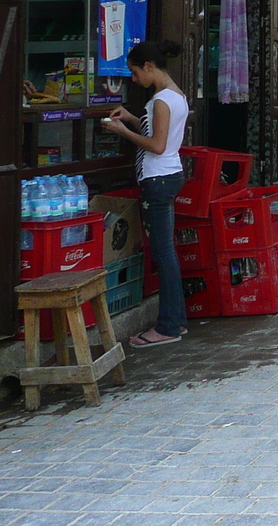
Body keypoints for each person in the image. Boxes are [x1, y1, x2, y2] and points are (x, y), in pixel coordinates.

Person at [99, 39, 191, 348]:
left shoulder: (161, 100)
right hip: (169, 174)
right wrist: (130, 118)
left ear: (149, 67)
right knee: (167, 253)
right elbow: (157, 132)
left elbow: (157, 145)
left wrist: (122, 132)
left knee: (163, 254)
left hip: (158, 178)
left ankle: (167, 327)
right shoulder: (176, 96)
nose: (134, 79)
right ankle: (176, 320)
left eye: (136, 72)